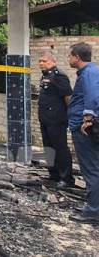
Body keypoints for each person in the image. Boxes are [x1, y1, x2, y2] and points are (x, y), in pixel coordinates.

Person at [67, 42, 99, 223]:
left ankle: (93, 211)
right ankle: (93, 205)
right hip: (84, 125)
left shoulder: (89, 73)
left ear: (77, 57)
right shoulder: (91, 72)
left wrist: (88, 118)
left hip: (84, 128)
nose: (69, 59)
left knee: (91, 169)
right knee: (93, 167)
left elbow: (93, 95)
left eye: (70, 56)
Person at [37, 51, 74, 188]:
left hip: (57, 120)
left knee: (60, 148)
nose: (41, 63)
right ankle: (54, 175)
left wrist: (70, 116)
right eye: (40, 61)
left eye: (44, 61)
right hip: (45, 119)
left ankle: (66, 179)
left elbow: (68, 98)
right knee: (48, 148)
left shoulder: (60, 76)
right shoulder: (45, 76)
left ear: (53, 62)